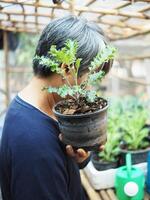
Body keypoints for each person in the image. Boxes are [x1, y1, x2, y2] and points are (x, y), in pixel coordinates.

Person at [0, 15, 112, 200]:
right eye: (91, 78)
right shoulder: (33, 144)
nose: (90, 89)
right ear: (66, 69)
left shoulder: (42, 111)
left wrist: (79, 161)